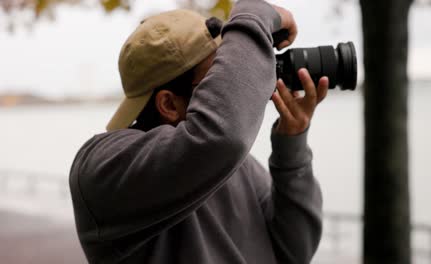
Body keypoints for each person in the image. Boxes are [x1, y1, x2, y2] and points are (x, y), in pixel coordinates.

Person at [69, 0, 329, 263]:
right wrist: (253, 16)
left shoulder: (233, 163)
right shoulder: (102, 167)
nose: (229, 80)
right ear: (169, 104)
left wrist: (291, 146)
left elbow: (295, 251)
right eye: (216, 76)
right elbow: (219, 136)